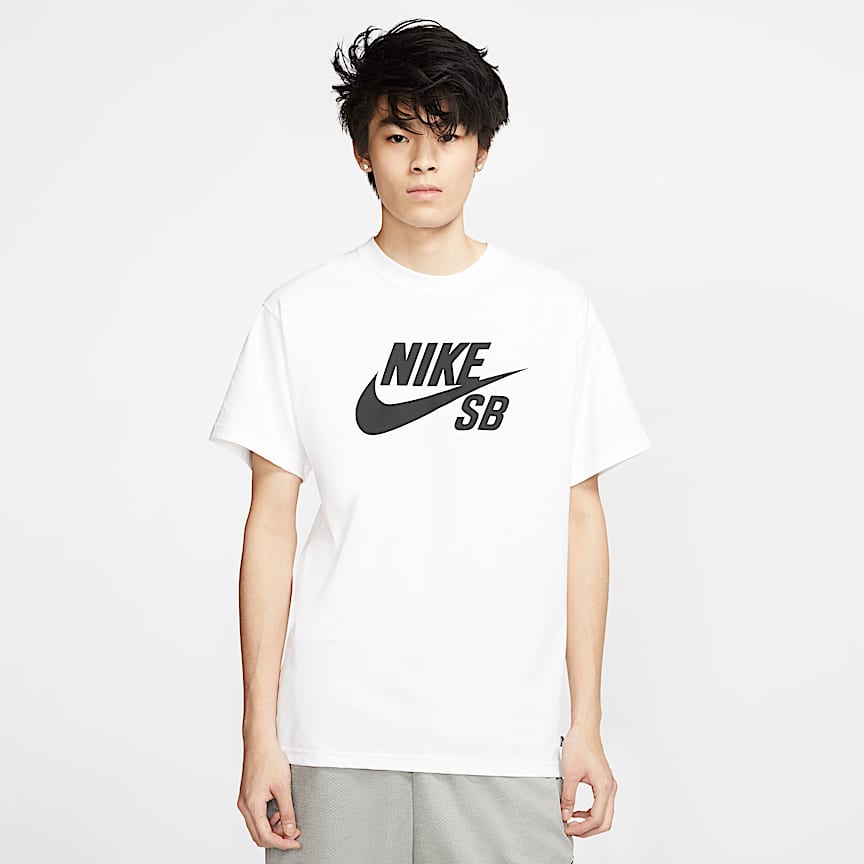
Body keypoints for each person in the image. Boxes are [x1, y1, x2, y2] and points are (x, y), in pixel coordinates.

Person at [208, 17, 652, 864]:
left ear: (481, 150)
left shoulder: (554, 313)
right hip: (337, 734)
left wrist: (586, 722)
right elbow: (269, 524)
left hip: (506, 739)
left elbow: (581, 518)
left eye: (447, 135)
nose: (422, 161)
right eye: (397, 135)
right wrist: (259, 731)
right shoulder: (302, 314)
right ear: (362, 153)